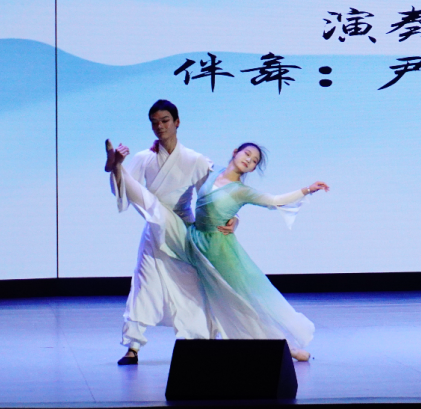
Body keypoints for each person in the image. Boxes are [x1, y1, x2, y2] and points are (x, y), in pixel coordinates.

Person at [115, 141, 329, 362]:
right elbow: (184, 159)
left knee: (240, 305)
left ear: (253, 169)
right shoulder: (211, 171)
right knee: (158, 214)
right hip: (194, 240)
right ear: (235, 152)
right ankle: (117, 168)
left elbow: (273, 201)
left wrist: (307, 190)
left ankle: (287, 348)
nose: (249, 160)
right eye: (247, 154)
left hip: (218, 251)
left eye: (254, 161)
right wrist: (160, 145)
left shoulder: (241, 191)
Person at [105, 99, 235, 366]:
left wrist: (231, 217)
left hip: (182, 230)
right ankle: (132, 346)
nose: (160, 126)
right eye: (154, 122)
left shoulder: (195, 160)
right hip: (154, 230)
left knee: (190, 288)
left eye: (165, 121)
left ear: (177, 122)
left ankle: (198, 339)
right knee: (143, 286)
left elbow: (211, 195)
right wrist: (117, 167)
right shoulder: (144, 158)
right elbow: (125, 190)